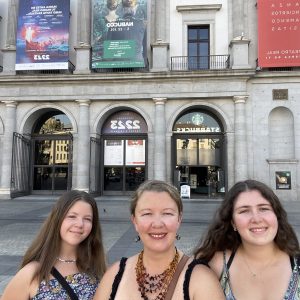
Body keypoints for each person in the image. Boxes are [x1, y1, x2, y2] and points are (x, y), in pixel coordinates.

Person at [94, 180, 225, 300]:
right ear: (134, 221)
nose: (157, 224)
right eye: (147, 214)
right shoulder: (114, 275)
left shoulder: (202, 280)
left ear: (179, 219)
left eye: (167, 213)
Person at [194, 179, 300, 300]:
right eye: (244, 211)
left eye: (264, 209)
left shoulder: (297, 264)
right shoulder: (216, 265)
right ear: (233, 222)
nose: (256, 219)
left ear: (276, 215)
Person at [1, 190, 106, 300]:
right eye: (72, 216)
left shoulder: (97, 268)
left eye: (87, 219)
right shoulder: (32, 272)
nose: (80, 224)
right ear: (57, 219)